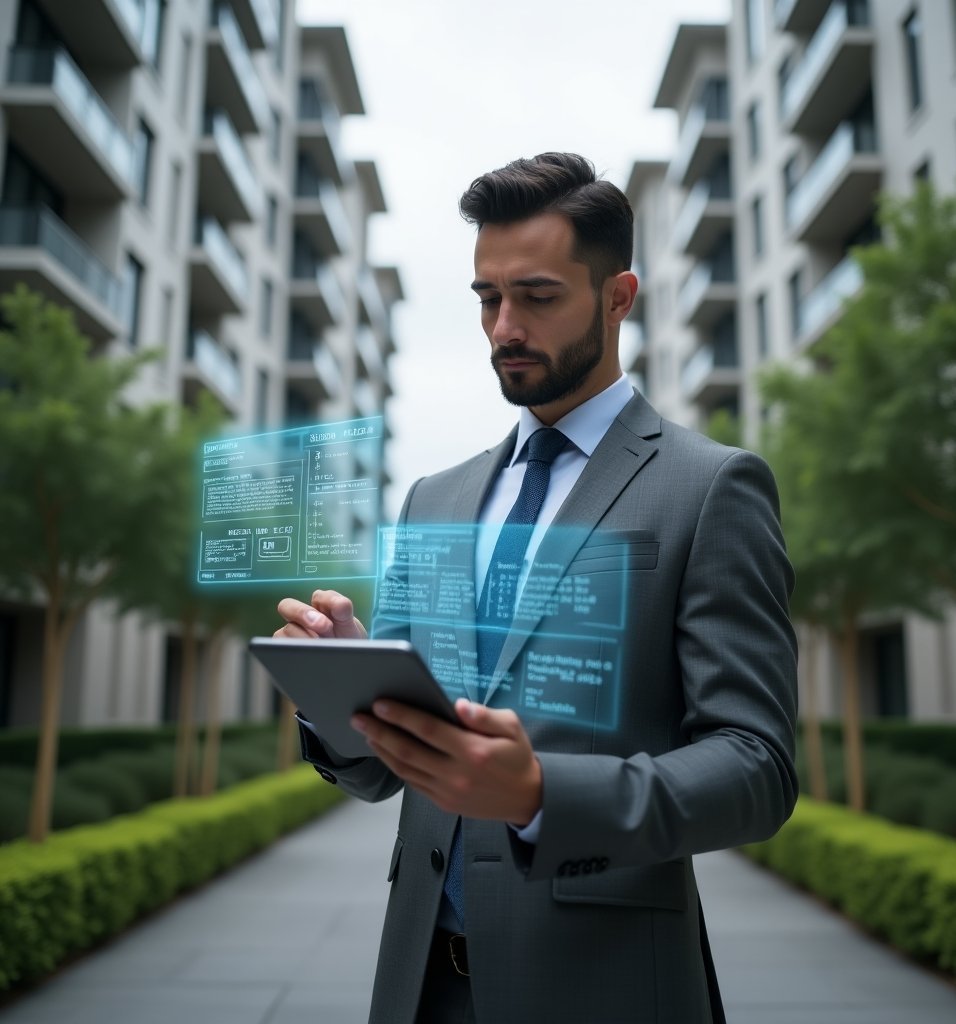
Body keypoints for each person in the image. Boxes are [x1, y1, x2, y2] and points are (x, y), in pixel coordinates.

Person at [275, 152, 798, 1024]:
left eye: (537, 297)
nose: (504, 327)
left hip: (606, 990)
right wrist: (344, 694)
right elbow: (380, 773)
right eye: (488, 298)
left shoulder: (712, 488)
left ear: (618, 298)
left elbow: (757, 766)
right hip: (419, 988)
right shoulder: (435, 499)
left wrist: (540, 796)